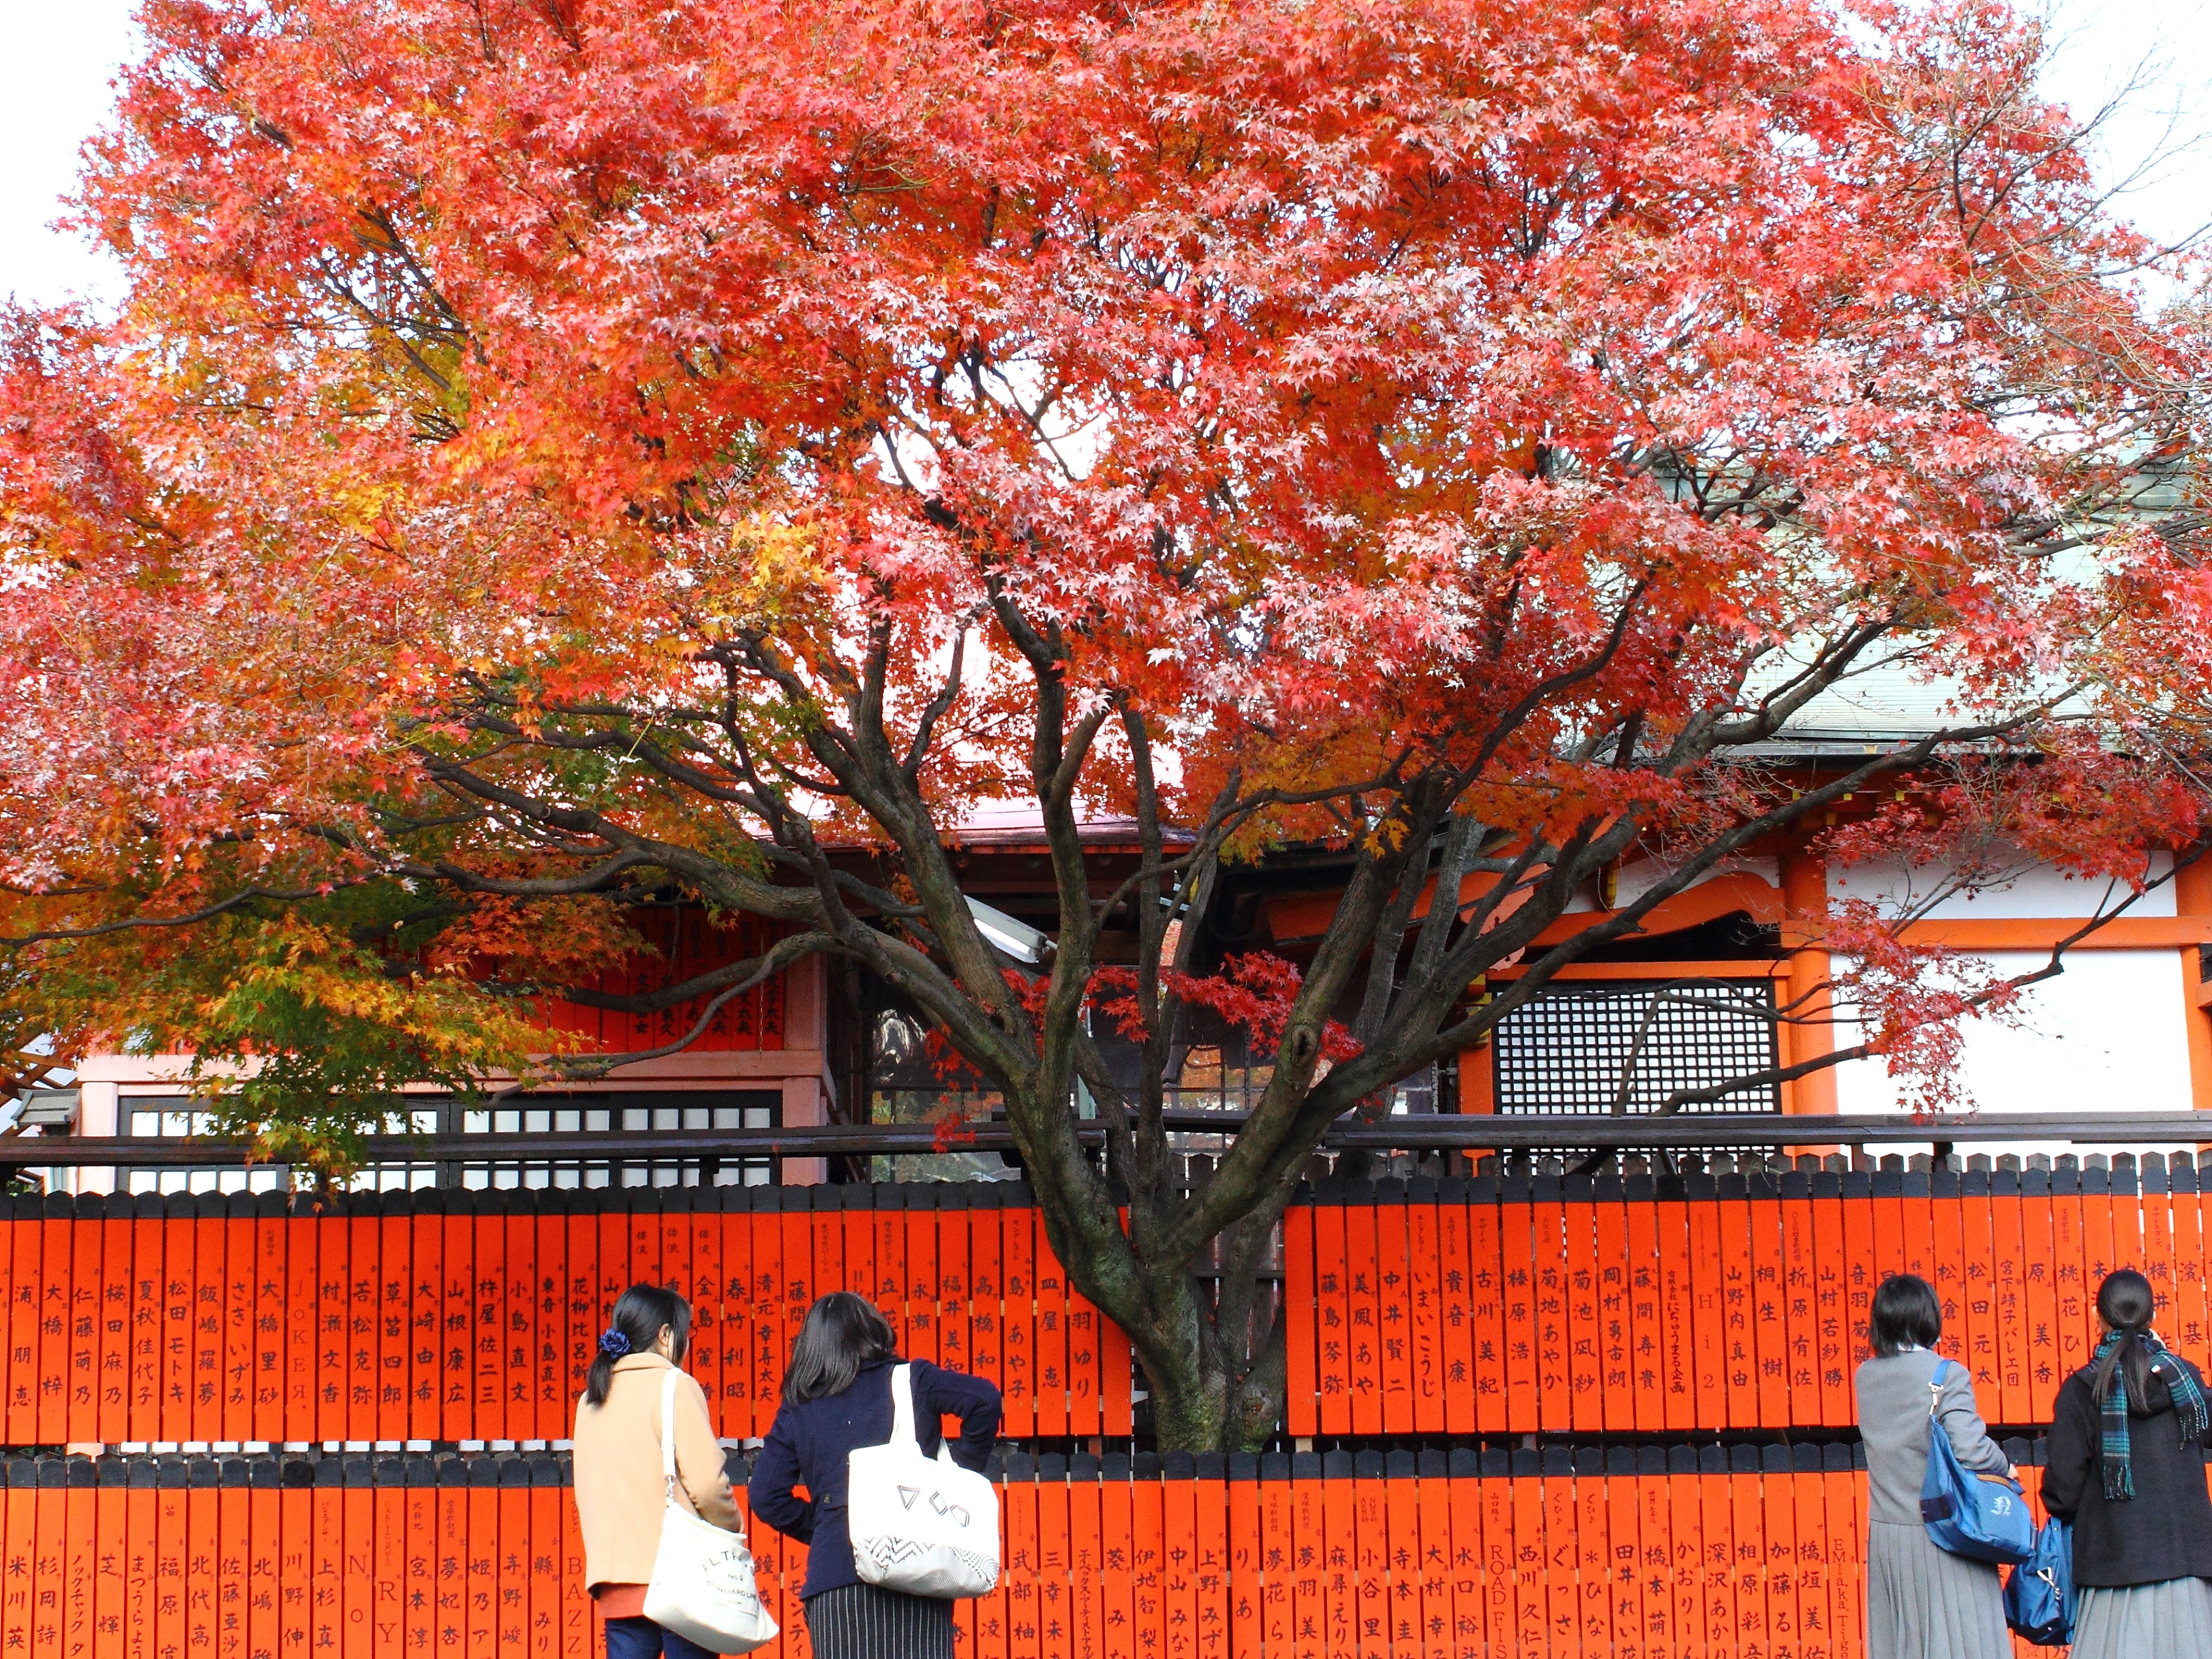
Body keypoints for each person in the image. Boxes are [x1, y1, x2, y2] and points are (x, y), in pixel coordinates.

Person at [749, 1291, 1002, 1659]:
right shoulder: (910, 1381)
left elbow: (765, 1497)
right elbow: (984, 1401)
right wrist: (958, 1472)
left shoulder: (800, 1406)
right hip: (916, 1566)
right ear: (873, 1332)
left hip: (837, 1578)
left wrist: (827, 1526)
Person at [2040, 1268, 2212, 1658]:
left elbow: (2061, 1493)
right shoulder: (2184, 1382)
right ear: (2153, 1319)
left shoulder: (2082, 1389)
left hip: (2112, 1575)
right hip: (2188, 1571)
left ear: (2098, 1319)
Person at [571, 1283, 745, 1658]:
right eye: (685, 1334)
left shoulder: (591, 1398)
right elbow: (708, 1486)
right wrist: (732, 1528)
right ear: (666, 1335)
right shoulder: (674, 1386)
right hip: (680, 1576)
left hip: (617, 1581)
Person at [1853, 1272, 2014, 1659]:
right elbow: (1971, 1450)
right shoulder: (1945, 1375)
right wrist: (2005, 1466)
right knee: (1962, 1640)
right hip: (1942, 1529)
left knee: (1903, 1640)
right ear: (1929, 1318)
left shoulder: (1866, 1376)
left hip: (1889, 1535)